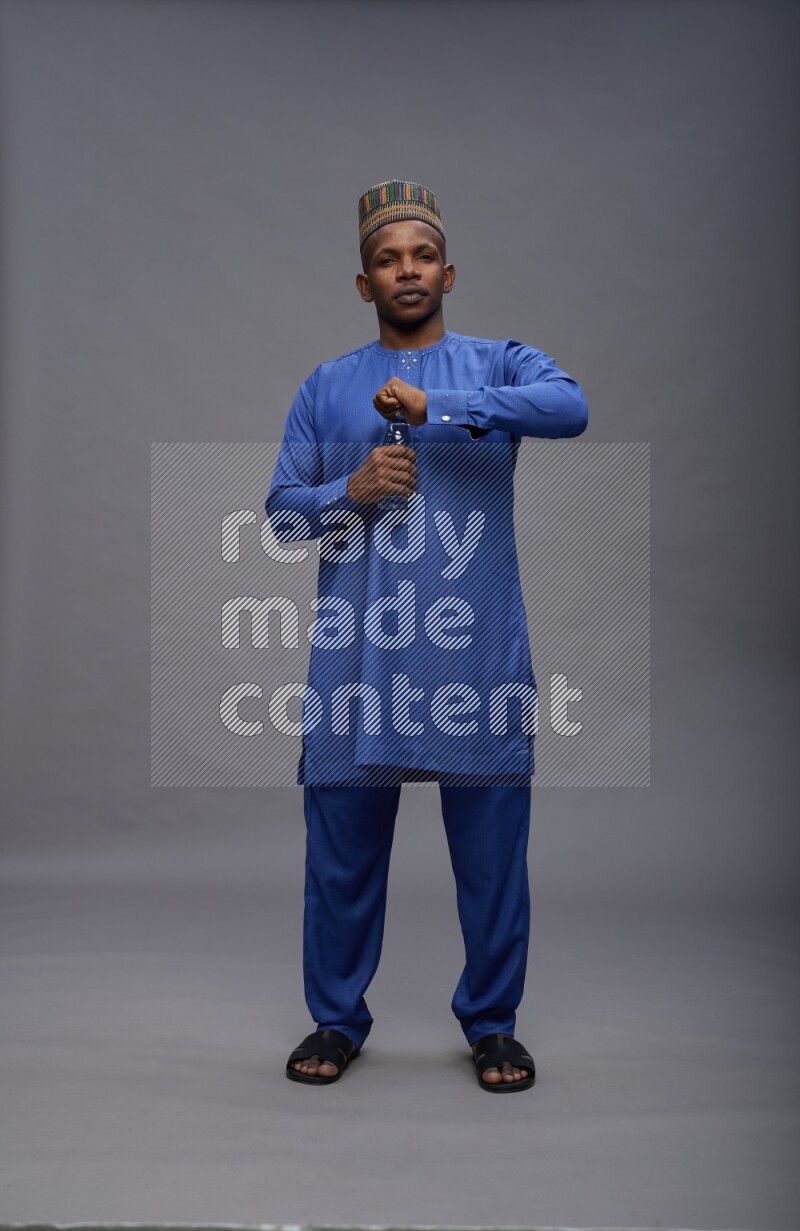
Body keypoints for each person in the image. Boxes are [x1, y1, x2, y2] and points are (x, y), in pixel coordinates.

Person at [265, 180, 588, 1090]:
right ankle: (335, 1019)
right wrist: (349, 492)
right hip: (359, 661)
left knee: (491, 861)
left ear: (446, 271)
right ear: (364, 283)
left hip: (474, 655)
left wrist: (446, 412)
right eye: (384, 259)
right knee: (340, 859)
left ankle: (492, 1024)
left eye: (419, 255)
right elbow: (284, 520)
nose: (404, 270)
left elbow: (572, 408)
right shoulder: (325, 387)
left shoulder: (499, 365)